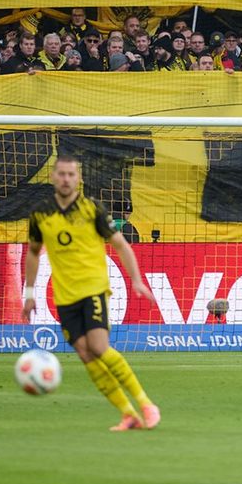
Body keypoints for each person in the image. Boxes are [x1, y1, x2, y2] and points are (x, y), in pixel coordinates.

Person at [23, 155, 160, 432]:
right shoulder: (40, 214)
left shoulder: (92, 210)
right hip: (64, 296)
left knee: (98, 347)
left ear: (79, 178)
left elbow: (121, 244)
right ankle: (127, 414)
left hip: (94, 289)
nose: (65, 179)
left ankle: (146, 403)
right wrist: (29, 292)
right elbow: (34, 252)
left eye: (71, 174)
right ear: (52, 177)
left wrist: (136, 279)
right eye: (61, 174)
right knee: (86, 355)